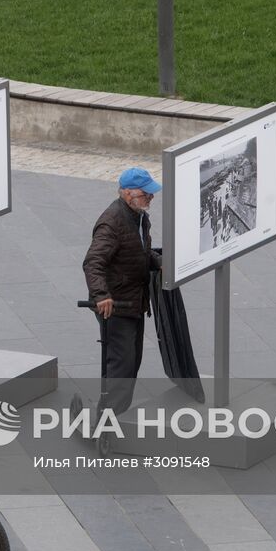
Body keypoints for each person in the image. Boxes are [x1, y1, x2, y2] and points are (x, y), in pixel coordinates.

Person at [82, 168, 162, 418]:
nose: (150, 197)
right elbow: (93, 262)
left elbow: (139, 251)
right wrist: (101, 295)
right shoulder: (112, 222)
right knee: (122, 365)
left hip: (134, 303)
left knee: (131, 361)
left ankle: (114, 413)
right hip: (116, 306)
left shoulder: (139, 217)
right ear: (128, 193)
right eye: (145, 193)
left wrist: (159, 262)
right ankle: (107, 419)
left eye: (151, 193)